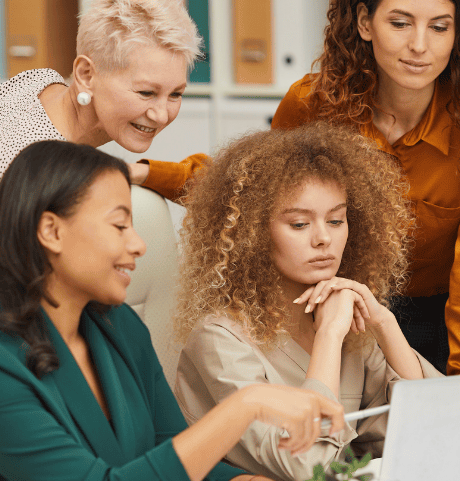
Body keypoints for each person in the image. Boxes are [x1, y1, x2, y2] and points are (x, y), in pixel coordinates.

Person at [132, 0, 460, 375]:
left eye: (439, 27)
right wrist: (144, 172)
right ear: (365, 23)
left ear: (458, 32)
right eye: (400, 23)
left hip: (439, 319)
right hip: (327, 307)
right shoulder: (313, 103)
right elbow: (250, 186)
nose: (419, 46)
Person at [0, 140, 347, 481]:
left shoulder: (118, 327)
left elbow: (173, 457)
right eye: (119, 225)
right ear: (51, 231)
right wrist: (247, 406)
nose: (138, 245)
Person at [0, 0, 199, 325]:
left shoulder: (34, 85)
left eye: (176, 94)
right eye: (146, 92)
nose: (162, 114)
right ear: (86, 75)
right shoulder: (50, 178)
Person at [172, 123, 443, 481]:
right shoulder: (219, 340)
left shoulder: (355, 328)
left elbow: (436, 431)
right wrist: (329, 337)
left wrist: (384, 324)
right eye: (299, 224)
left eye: (336, 220)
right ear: (252, 233)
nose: (323, 239)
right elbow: (308, 467)